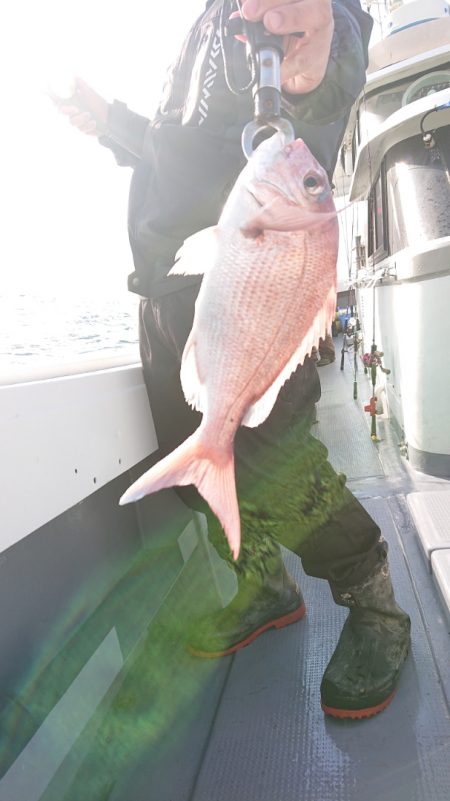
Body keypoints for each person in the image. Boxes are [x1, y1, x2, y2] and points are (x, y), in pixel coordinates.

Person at [55, 0, 410, 719]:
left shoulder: (279, 16)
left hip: (251, 285)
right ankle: (263, 587)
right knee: (193, 469)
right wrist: (111, 119)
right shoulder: (203, 29)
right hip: (166, 298)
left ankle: (375, 602)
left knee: (280, 469)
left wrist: (318, 51)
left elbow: (328, 52)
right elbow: (173, 151)